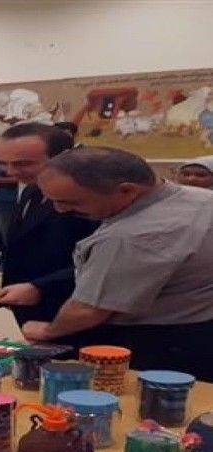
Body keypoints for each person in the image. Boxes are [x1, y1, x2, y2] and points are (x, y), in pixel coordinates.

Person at [22, 147, 213, 381]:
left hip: (158, 344)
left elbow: (89, 310)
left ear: (127, 190)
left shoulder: (131, 237)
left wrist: (48, 331)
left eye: (71, 202)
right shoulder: (201, 199)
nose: (60, 210)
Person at [0, 123, 98, 336]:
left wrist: (41, 288)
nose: (10, 172)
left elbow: (101, 260)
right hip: (29, 301)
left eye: (23, 164)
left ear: (63, 157)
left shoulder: (91, 198)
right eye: (3, 163)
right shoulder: (32, 189)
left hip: (74, 306)